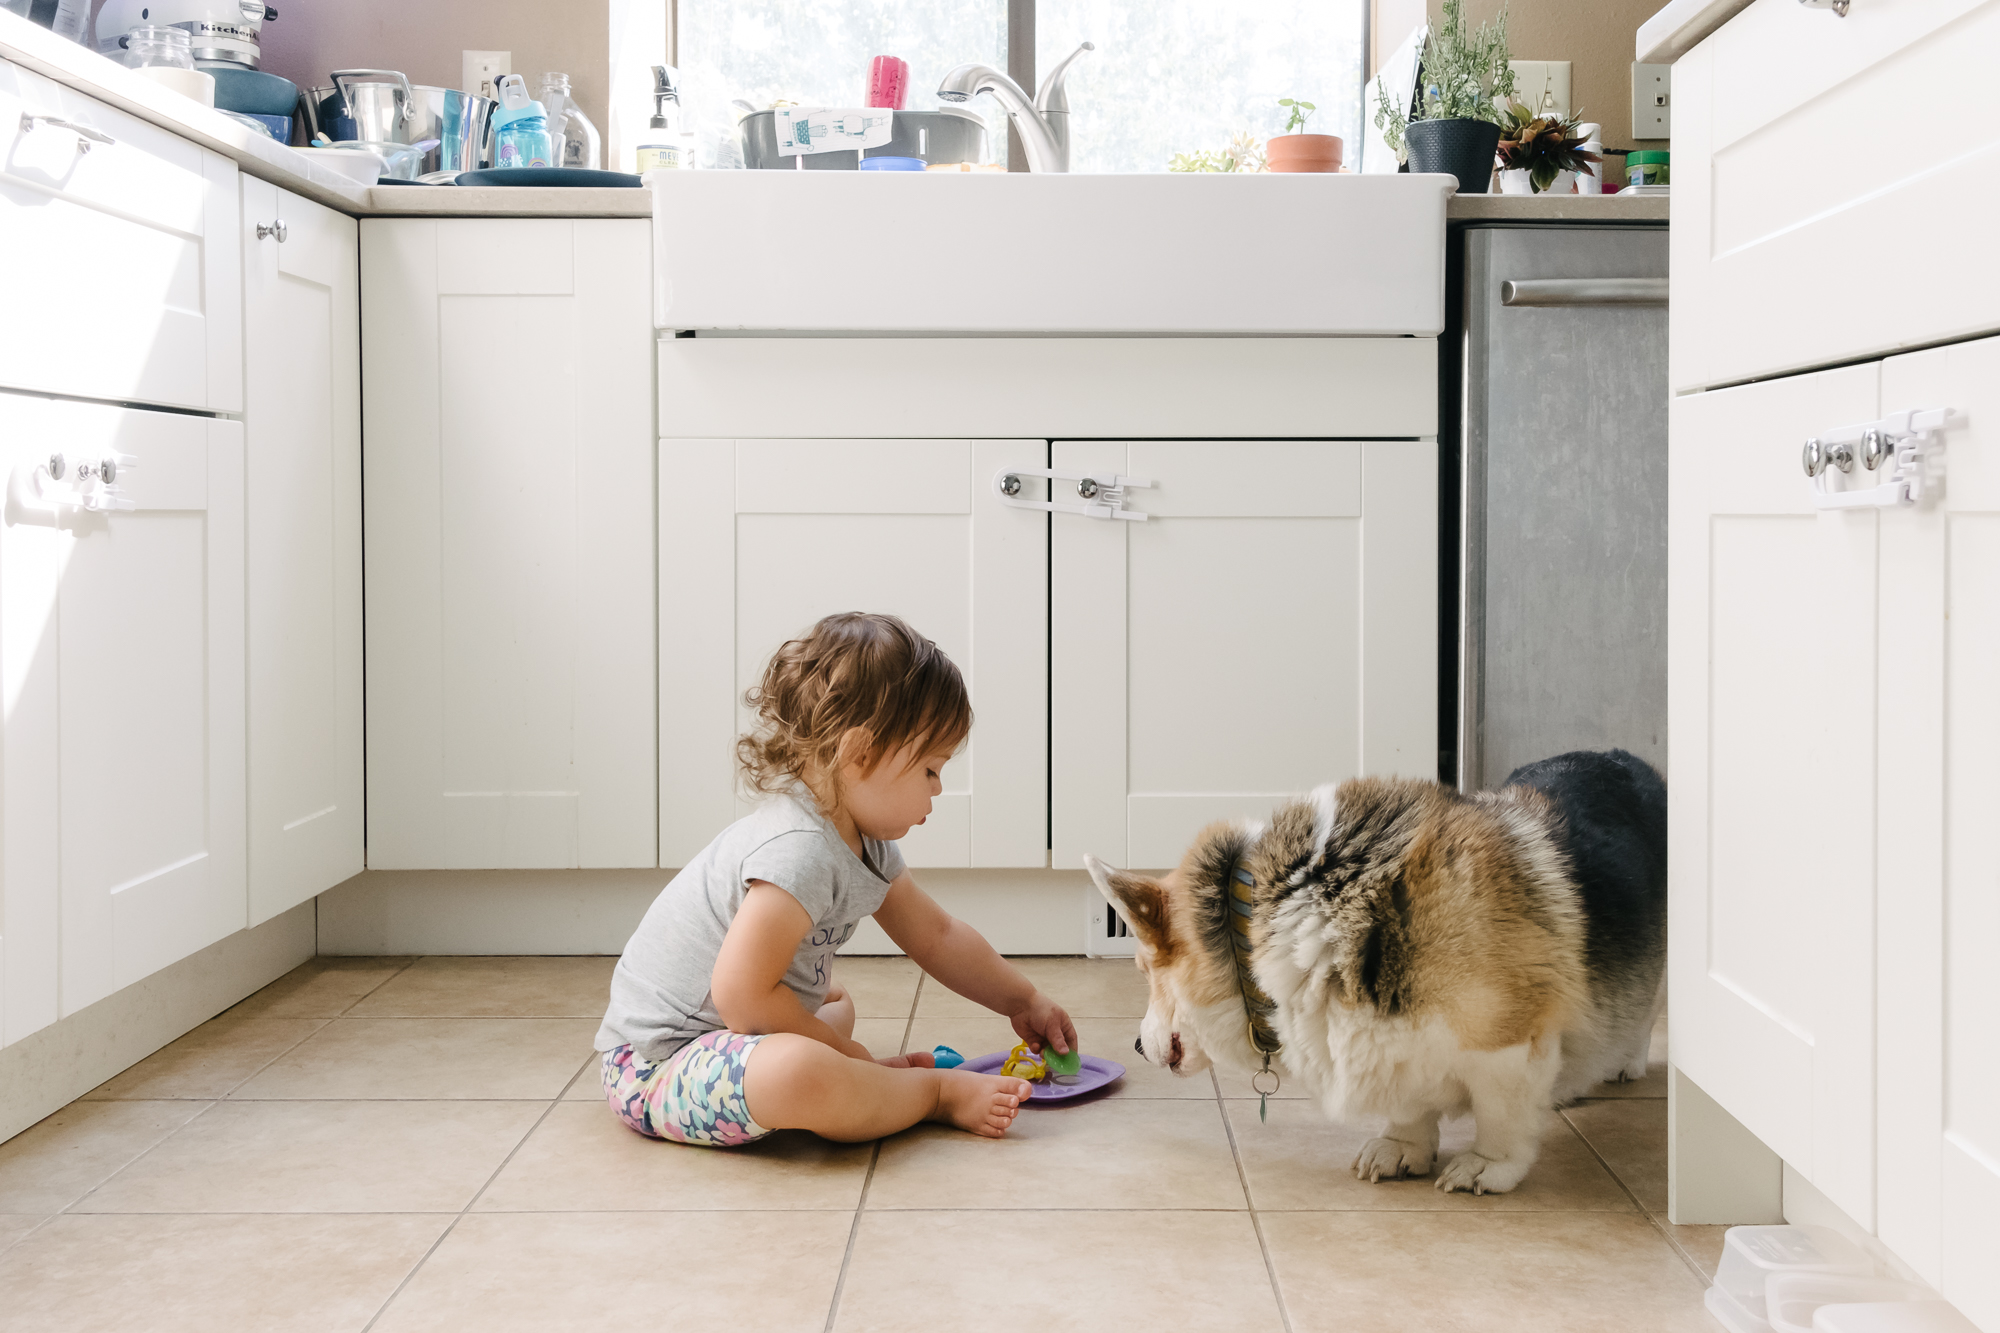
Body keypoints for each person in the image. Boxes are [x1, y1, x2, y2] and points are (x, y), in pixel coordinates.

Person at [595, 611, 1076, 1145]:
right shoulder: (798, 850)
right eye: (930, 769)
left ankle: (855, 1085)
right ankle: (931, 1093)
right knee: (804, 1067)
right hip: (660, 1066)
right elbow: (741, 996)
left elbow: (937, 937)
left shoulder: (864, 843)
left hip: (731, 1042)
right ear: (859, 753)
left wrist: (1023, 1000)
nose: (937, 789)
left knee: (834, 1000)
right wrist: (847, 1055)